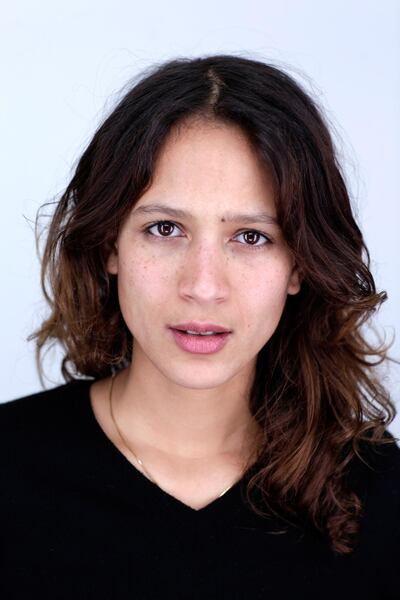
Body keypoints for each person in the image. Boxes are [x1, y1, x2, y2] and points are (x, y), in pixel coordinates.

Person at [1, 54, 399, 599]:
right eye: (165, 228)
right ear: (109, 244)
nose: (204, 285)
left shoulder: (382, 496)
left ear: (301, 265)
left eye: (251, 236)